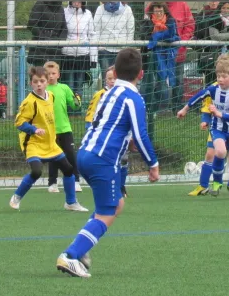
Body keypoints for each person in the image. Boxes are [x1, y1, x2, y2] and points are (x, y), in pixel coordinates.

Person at [56, 48, 159, 278]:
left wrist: (126, 139)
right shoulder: (134, 98)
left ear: (116, 70)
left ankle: (81, 248)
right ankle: (71, 255)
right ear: (140, 74)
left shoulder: (109, 93)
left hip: (86, 153)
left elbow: (105, 123)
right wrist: (153, 163)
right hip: (103, 160)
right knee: (108, 211)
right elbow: (141, 134)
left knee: (117, 204)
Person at [9, 66, 88, 212]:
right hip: (33, 143)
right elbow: (19, 123)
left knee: (69, 169)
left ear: (47, 82)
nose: (38, 84)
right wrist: (34, 129)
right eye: (35, 81)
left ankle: (71, 202)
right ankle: (17, 196)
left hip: (50, 143)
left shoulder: (51, 96)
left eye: (42, 81)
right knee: (37, 172)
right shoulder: (29, 102)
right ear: (31, 83)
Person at [177, 54, 229, 199]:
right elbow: (198, 96)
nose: (219, 79)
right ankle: (217, 183)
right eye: (218, 76)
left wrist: (218, 113)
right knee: (219, 151)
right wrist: (184, 109)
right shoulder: (214, 89)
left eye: (223, 76)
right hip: (218, 129)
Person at [84, 66, 129, 197]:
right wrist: (89, 129)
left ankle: (121, 187)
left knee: (124, 160)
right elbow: (90, 114)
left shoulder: (124, 94)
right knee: (108, 162)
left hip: (120, 134)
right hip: (103, 135)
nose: (112, 81)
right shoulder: (99, 94)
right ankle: (108, 187)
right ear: (105, 80)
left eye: (115, 78)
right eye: (109, 78)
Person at [44, 61, 82, 193]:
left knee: (71, 155)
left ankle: (76, 180)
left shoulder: (64, 88)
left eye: (53, 73)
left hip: (65, 128)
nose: (51, 76)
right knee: (53, 156)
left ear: (58, 75)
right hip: (50, 130)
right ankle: (52, 183)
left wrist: (77, 101)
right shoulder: (43, 90)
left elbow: (74, 105)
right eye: (48, 74)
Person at [156, 0, 195, 111]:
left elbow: (190, 25)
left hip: (178, 52)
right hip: (160, 53)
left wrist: (181, 43)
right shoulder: (154, 5)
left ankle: (177, 109)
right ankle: (161, 109)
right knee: (160, 80)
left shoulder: (183, 5)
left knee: (177, 81)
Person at [140, 2, 179, 112]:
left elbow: (175, 37)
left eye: (160, 11)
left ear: (164, 11)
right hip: (149, 57)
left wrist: (160, 37)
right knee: (147, 83)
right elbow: (143, 36)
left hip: (165, 57)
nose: (158, 14)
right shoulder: (147, 22)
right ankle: (144, 108)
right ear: (152, 12)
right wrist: (155, 35)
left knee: (162, 83)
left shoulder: (170, 21)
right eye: (156, 11)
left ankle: (159, 109)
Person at [93, 0, 135, 80]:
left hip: (121, 50)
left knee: (121, 77)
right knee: (107, 77)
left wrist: (127, 48)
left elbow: (130, 29)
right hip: (105, 51)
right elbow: (96, 29)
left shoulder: (127, 10)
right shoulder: (100, 9)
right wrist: (100, 47)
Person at [61, 0, 97, 97]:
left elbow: (92, 35)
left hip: (83, 55)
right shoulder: (64, 12)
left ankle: (78, 110)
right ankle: (69, 111)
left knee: (79, 86)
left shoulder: (88, 14)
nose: (77, 3)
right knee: (69, 85)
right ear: (70, 1)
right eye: (74, 0)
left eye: (79, 0)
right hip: (68, 55)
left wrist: (93, 58)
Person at [26, 0, 68, 66]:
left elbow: (64, 28)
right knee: (41, 75)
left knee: (53, 74)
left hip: (55, 47)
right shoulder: (40, 4)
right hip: (40, 47)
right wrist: (43, 39)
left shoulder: (60, 8)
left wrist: (60, 42)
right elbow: (32, 24)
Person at [194, 0, 221, 85]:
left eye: (216, 0)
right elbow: (196, 33)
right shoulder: (201, 15)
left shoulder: (225, 13)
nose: (213, 2)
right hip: (206, 51)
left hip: (222, 51)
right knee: (209, 81)